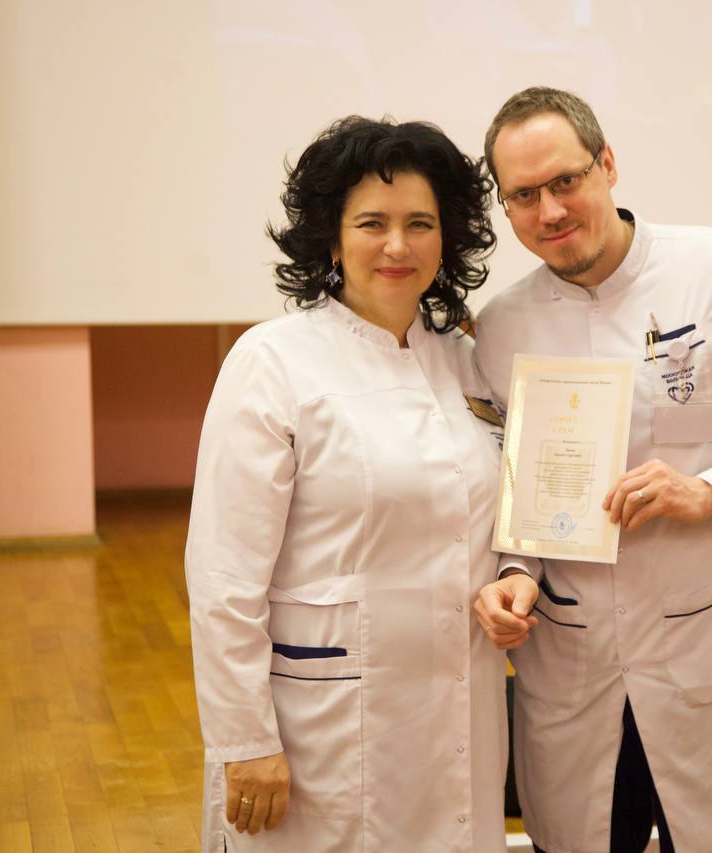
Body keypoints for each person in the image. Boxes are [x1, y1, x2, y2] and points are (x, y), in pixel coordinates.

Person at [472, 87, 712, 853]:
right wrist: (515, 572)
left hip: (710, 640)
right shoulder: (501, 326)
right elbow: (515, 489)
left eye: (565, 180)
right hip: (574, 658)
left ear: (608, 164)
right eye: (523, 195)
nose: (550, 210)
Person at [186, 116, 528, 852]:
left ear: (447, 238)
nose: (398, 245)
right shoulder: (272, 361)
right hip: (323, 726)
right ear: (333, 240)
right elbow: (223, 577)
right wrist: (245, 740)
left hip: (457, 708)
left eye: (420, 224)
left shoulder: (467, 360)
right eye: (372, 223)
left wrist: (513, 573)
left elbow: (499, 511)